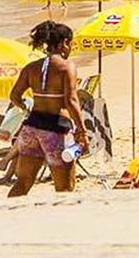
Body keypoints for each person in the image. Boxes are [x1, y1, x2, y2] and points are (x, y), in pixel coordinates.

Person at [6, 21, 87, 196]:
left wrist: (27, 108)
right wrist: (82, 131)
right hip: (56, 130)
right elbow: (71, 100)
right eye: (70, 44)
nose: (70, 48)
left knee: (23, 182)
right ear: (64, 43)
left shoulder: (30, 68)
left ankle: (6, 216)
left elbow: (14, 96)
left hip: (32, 128)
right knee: (65, 188)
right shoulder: (67, 67)